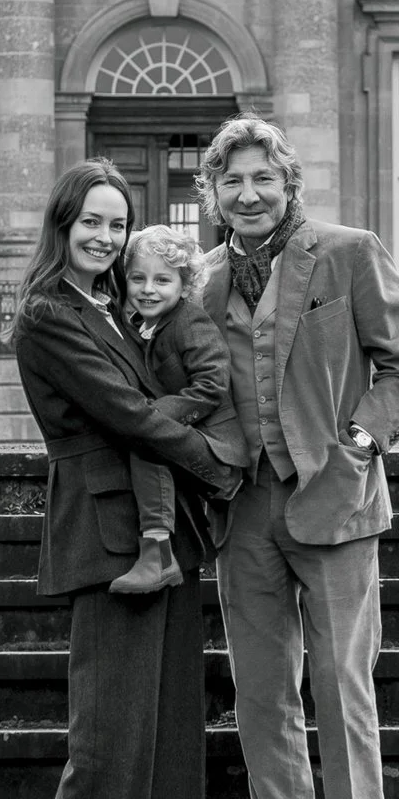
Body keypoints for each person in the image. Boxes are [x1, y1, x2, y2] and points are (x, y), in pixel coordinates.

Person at [7, 161, 246, 799]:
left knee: (170, 751)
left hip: (163, 539)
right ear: (62, 226)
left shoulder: (124, 307)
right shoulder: (49, 315)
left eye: (118, 224)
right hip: (111, 541)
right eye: (91, 224)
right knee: (108, 750)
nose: (106, 238)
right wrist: (218, 466)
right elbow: (129, 414)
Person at [198, 115, 399, 799]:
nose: (249, 192)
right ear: (214, 193)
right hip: (243, 505)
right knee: (262, 688)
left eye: (263, 177)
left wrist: (362, 441)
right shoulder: (199, 281)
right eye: (232, 180)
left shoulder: (346, 251)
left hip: (336, 496)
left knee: (340, 681)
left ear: (288, 183)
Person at [114, 224, 245, 594]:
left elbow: (212, 386)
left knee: (147, 435)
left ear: (184, 285)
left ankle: (158, 555)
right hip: (192, 438)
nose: (148, 289)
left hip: (220, 451)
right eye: (137, 278)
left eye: (162, 280)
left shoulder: (191, 322)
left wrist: (155, 415)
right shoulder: (141, 325)